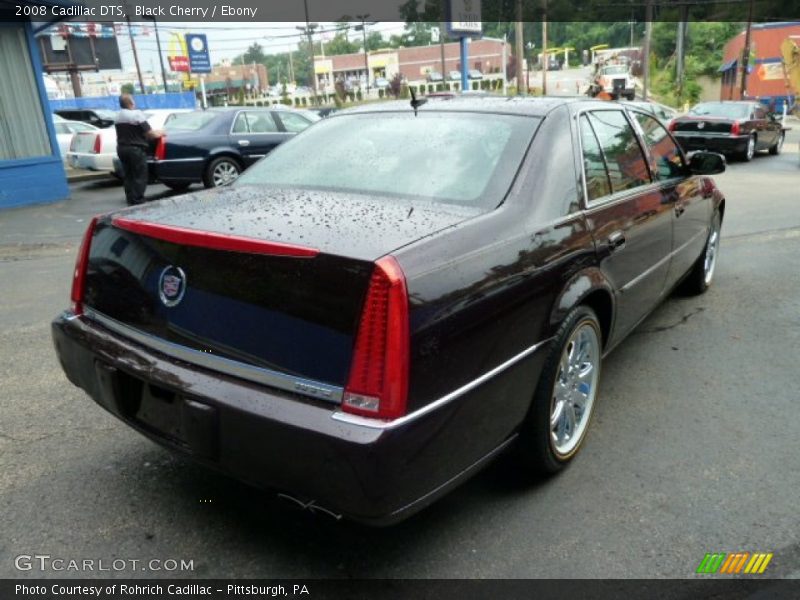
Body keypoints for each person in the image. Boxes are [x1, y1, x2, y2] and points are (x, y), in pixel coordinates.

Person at [115, 94, 163, 206]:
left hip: (121, 149)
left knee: (128, 175)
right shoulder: (136, 114)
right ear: (131, 103)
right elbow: (150, 134)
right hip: (135, 150)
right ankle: (138, 200)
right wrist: (162, 132)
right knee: (139, 175)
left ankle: (131, 199)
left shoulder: (118, 117)